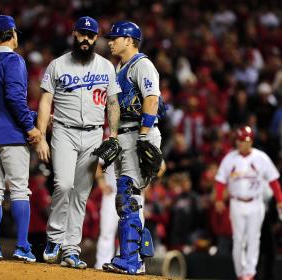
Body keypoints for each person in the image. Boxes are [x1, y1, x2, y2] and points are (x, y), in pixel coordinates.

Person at [35, 16, 121, 269]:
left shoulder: (106, 67)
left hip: (94, 134)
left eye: (90, 35)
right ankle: (54, 239)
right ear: (74, 34)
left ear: (96, 38)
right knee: (63, 184)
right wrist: (41, 136)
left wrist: (113, 135)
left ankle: (71, 248)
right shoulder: (57, 65)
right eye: (81, 34)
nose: (85, 38)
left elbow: (113, 103)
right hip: (64, 131)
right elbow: (45, 101)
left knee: (81, 193)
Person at [0, 15, 41, 262]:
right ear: (12, 34)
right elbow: (14, 97)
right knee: (19, 190)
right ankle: (22, 246)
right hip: (11, 134)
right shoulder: (14, 59)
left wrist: (32, 116)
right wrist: (30, 125)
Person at [102, 21, 165, 275]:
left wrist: (144, 136)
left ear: (130, 40)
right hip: (126, 135)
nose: (110, 41)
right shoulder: (120, 67)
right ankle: (135, 259)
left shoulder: (142, 64)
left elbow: (152, 98)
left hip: (140, 133)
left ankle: (130, 259)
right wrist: (114, 136)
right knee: (130, 197)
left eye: (115, 37)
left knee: (127, 193)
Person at [214, 126, 282, 280]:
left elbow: (273, 180)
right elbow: (220, 181)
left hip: (256, 203)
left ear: (251, 141)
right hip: (236, 202)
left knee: (253, 238)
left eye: (244, 141)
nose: (241, 144)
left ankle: (249, 273)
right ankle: (241, 273)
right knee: (238, 239)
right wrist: (218, 199)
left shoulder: (261, 158)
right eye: (239, 141)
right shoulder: (230, 158)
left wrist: (280, 200)